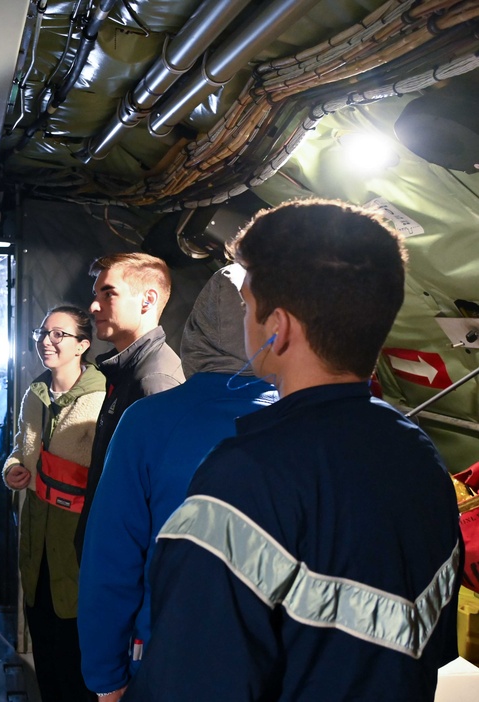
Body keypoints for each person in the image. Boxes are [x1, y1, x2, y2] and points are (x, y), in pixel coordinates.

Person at [127, 199, 463, 701]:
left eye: (247, 305)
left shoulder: (244, 478)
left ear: (277, 328)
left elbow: (190, 682)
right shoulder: (420, 453)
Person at [77, 264, 276, 701]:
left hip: (170, 663)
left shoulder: (149, 422)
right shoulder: (309, 423)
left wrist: (106, 677)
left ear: (198, 326)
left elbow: (111, 562)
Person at [3, 305, 105, 702]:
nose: (46, 341)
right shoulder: (36, 393)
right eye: (43, 333)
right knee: (46, 656)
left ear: (83, 344)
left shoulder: (102, 399)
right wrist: (12, 468)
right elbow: (19, 449)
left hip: (78, 549)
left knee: (76, 662)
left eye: (58, 335)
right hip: (36, 547)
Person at [74, 252, 184, 557]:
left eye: (108, 293)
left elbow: (160, 506)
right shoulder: (128, 372)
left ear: (147, 300)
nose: (94, 306)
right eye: (95, 295)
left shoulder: (155, 381)